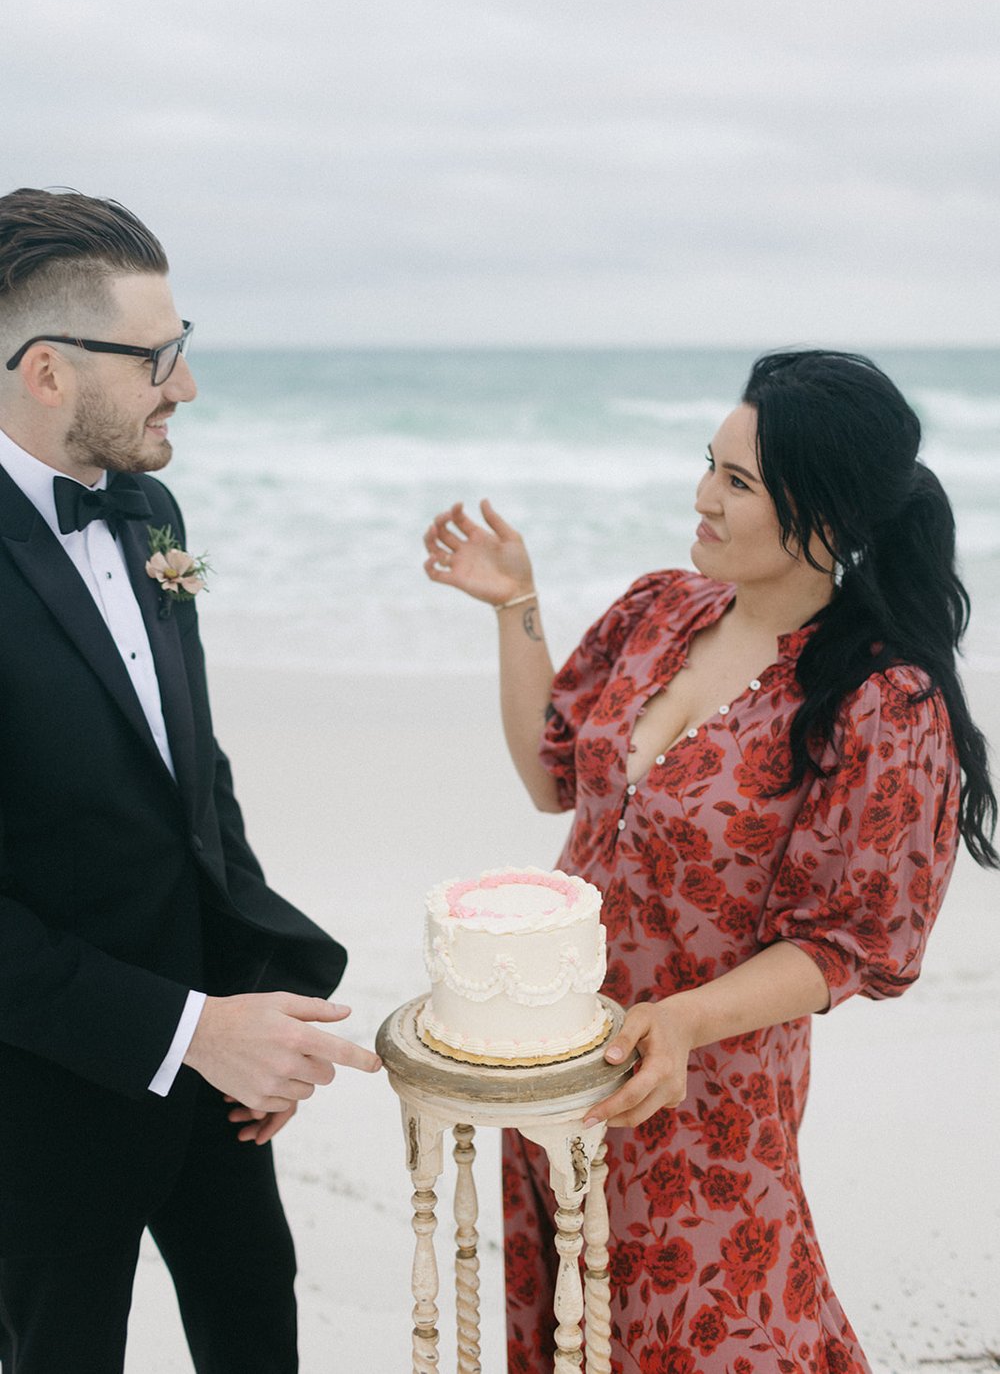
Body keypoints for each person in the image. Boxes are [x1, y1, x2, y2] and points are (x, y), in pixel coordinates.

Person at [423, 350, 997, 1374]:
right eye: (708, 465)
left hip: (706, 1089)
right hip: (553, 1052)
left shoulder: (881, 701)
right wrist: (517, 608)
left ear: (823, 519)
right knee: (567, 1327)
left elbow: (847, 948)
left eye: (736, 482)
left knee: (709, 1329)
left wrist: (680, 1022)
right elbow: (553, 776)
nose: (701, 498)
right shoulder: (659, 610)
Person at [0, 187, 382, 1374]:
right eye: (160, 357)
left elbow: (190, 771)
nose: (186, 386)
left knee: (257, 1313)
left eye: (185, 347)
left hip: (217, 1046)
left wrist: (256, 997)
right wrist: (185, 1033)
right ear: (49, 372)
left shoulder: (149, 506)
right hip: (43, 1084)